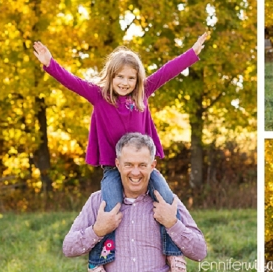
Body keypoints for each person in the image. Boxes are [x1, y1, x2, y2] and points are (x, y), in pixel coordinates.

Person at [33, 32, 208, 270]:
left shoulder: (142, 95)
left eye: (131, 78)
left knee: (166, 200)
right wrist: (50, 64)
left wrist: (192, 52)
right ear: (111, 76)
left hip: (142, 164)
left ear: (138, 80)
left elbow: (167, 71)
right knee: (111, 209)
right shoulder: (99, 96)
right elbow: (72, 81)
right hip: (113, 170)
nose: (125, 83)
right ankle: (98, 262)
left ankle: (173, 253)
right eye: (120, 77)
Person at [63, 133, 207, 272]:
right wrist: (97, 230)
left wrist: (172, 224)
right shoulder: (98, 202)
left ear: (152, 166)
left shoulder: (167, 202)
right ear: (118, 164)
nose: (136, 172)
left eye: (142, 165)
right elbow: (68, 248)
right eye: (129, 165)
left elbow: (200, 253)